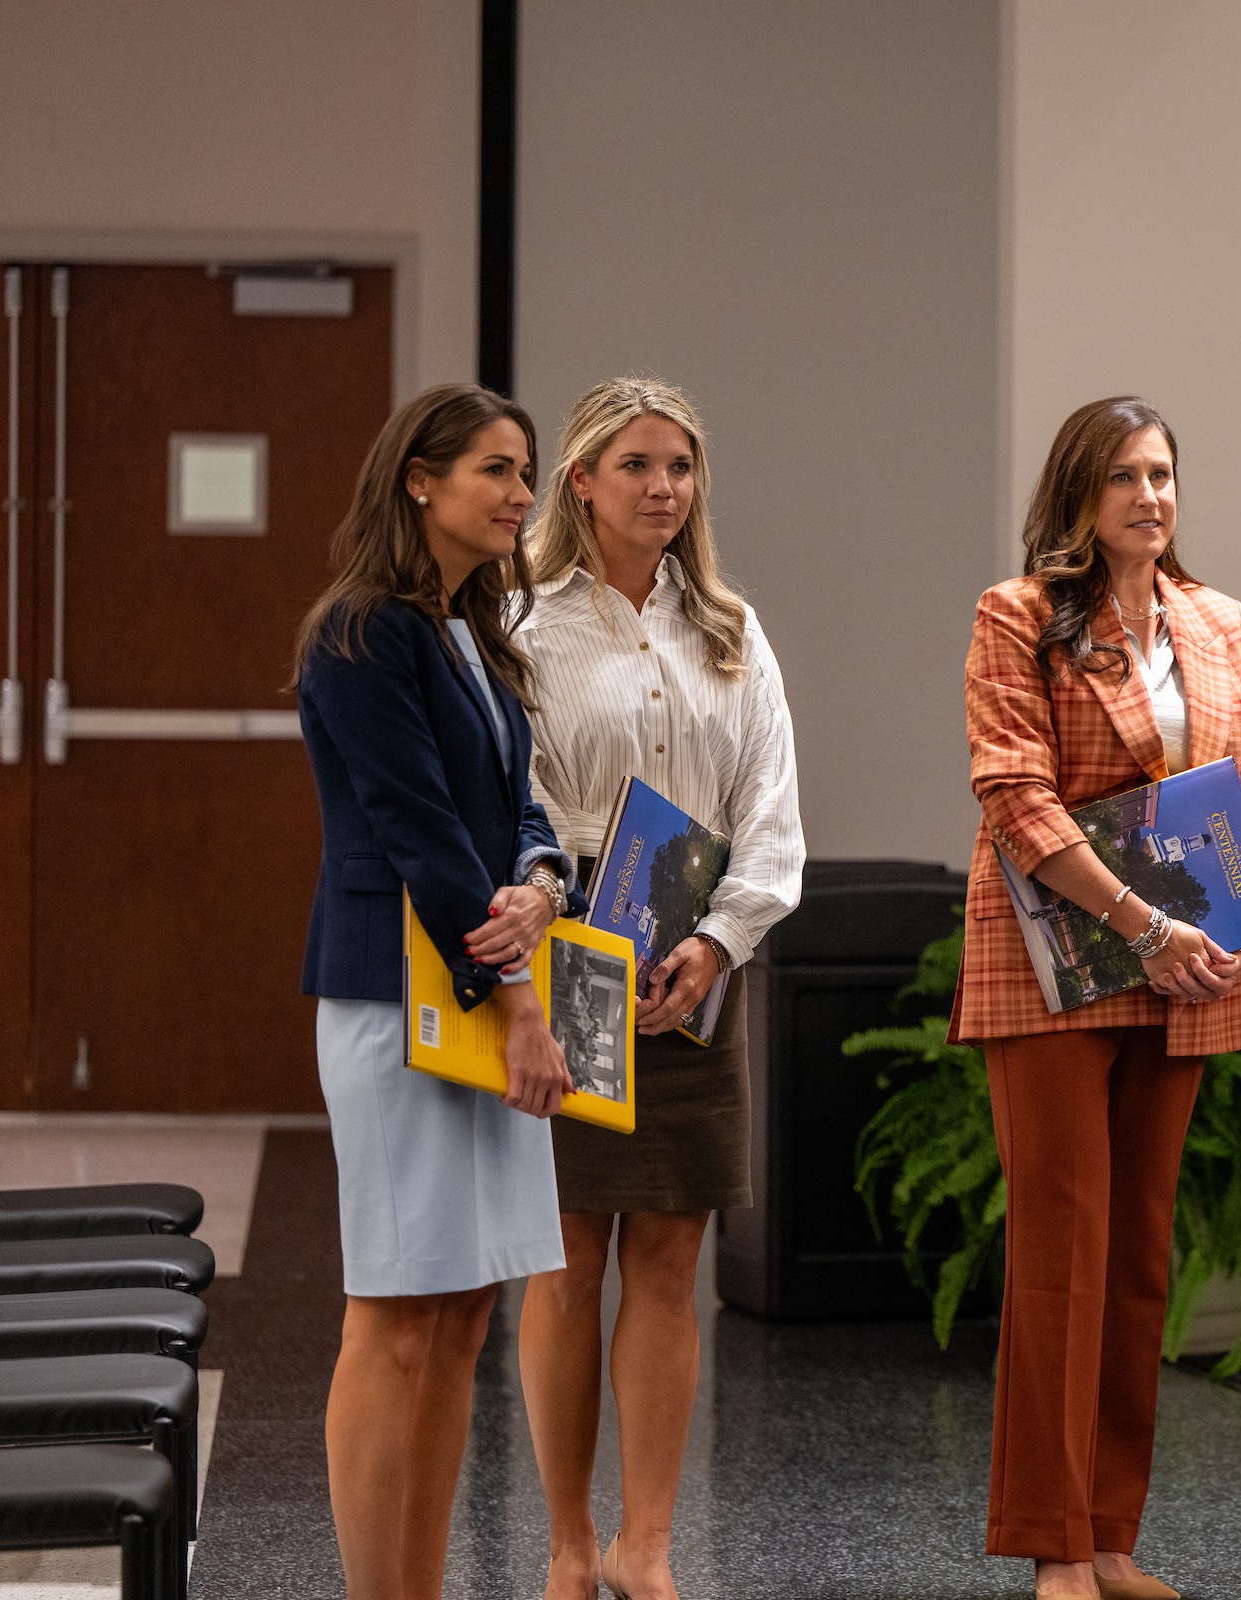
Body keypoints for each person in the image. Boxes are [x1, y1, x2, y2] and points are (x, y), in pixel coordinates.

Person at [953, 395, 1241, 1600]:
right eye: (1125, 477)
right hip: (1058, 965)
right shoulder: (1021, 616)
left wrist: (1237, 911)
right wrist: (1144, 922)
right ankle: (1052, 1545)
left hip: (1185, 969)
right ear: (1080, 494)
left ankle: (1107, 1535)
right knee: (1063, 1254)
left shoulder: (1219, 621)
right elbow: (1016, 795)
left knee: (1141, 1255)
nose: (1152, 495)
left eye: (1164, 473)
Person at [513, 377, 804, 1600]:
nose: (663, 490)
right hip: (569, 951)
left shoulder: (730, 627)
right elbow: (505, 797)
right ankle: (571, 1541)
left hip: (699, 962)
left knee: (672, 1255)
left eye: (680, 468)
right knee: (571, 1254)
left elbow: (774, 820)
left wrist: (720, 943)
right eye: (636, 466)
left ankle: (649, 1544)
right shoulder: (521, 624)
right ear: (580, 480)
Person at [294, 382, 578, 1600]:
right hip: (398, 997)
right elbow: (415, 826)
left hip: (480, 974)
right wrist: (516, 994)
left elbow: (512, 803)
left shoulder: (470, 626)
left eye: (526, 473)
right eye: (498, 471)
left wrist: (544, 876)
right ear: (419, 478)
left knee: (463, 1315)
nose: (524, 495)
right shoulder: (363, 630)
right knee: (396, 1317)